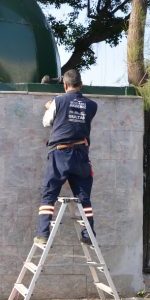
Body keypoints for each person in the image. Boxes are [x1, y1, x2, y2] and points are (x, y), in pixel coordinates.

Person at [35, 69, 98, 245]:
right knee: (84, 196)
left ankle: (43, 234)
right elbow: (79, 114)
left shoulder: (58, 100)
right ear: (81, 84)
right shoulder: (92, 105)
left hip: (60, 154)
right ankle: (88, 233)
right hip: (81, 155)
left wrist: (51, 107)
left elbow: (46, 122)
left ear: (65, 85)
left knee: (49, 193)